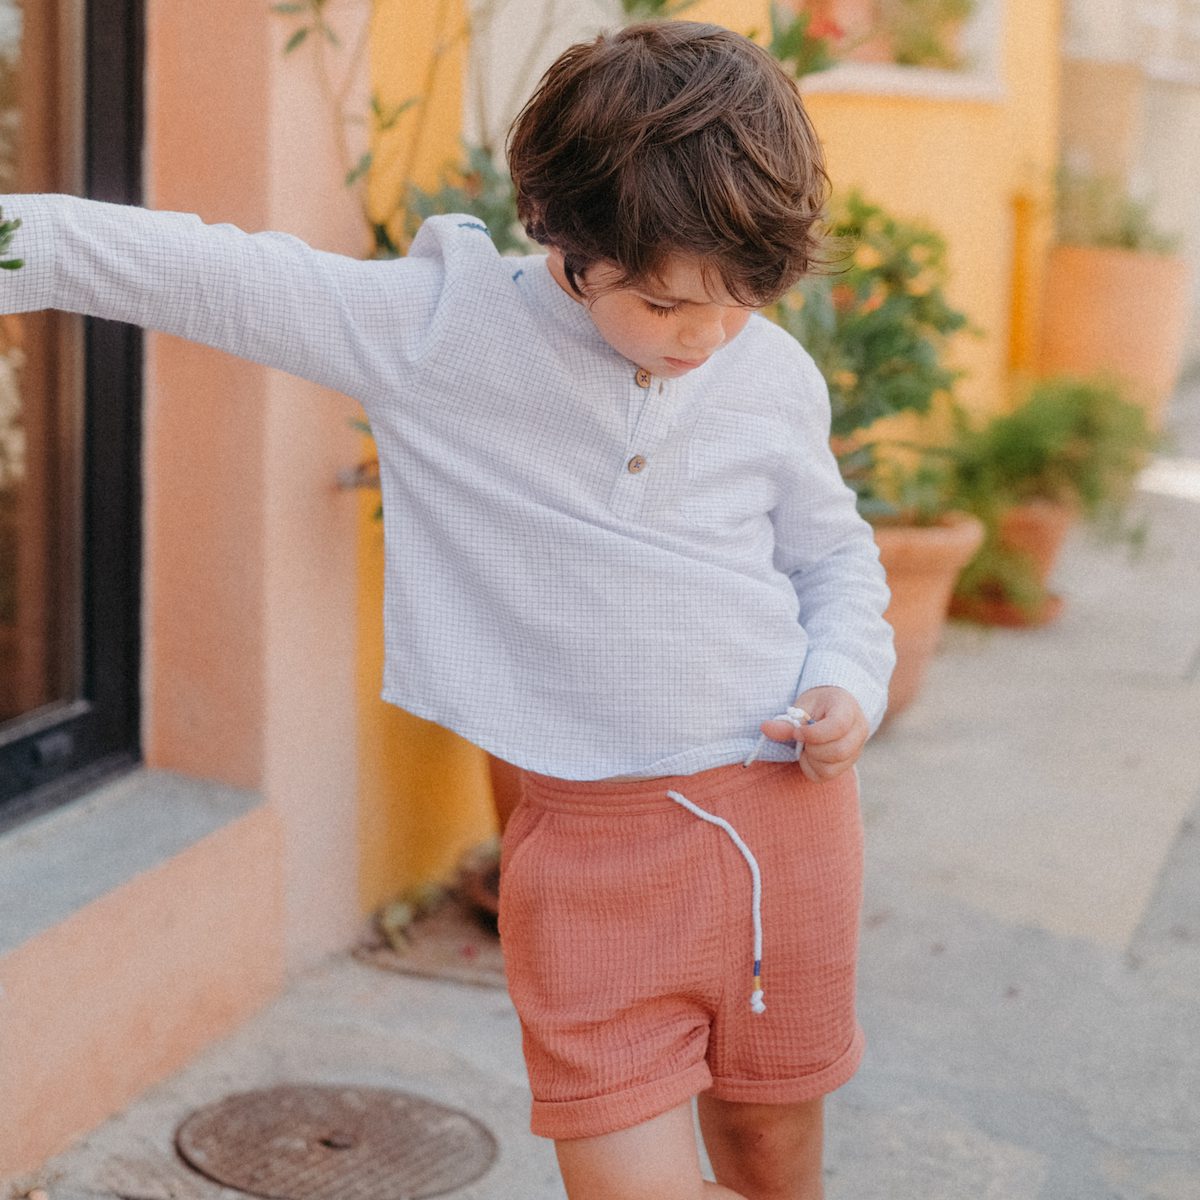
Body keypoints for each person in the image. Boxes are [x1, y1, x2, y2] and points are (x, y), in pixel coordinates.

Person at [2, 19, 894, 1200]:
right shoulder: (440, 329)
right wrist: (25, 242)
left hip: (781, 824)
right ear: (571, 239)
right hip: (584, 854)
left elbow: (836, 561)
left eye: (740, 303)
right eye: (672, 305)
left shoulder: (769, 373)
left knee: (772, 1154)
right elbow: (207, 270)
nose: (708, 338)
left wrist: (848, 679)